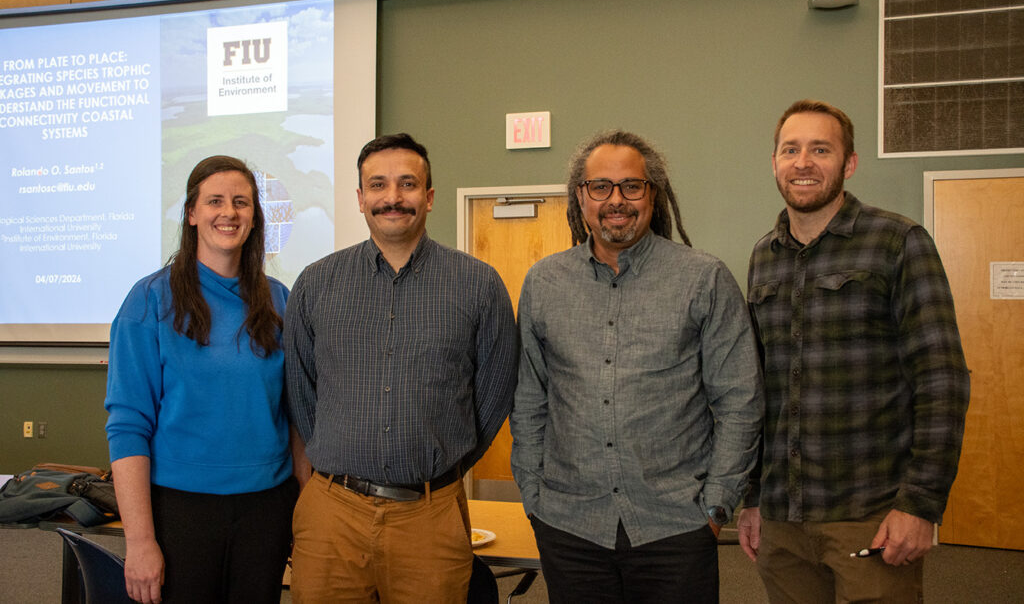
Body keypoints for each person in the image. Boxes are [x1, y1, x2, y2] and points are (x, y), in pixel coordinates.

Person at [509, 130, 764, 603]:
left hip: (677, 527)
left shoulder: (703, 279)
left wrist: (716, 504)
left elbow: (740, 399)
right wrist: (533, 494)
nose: (616, 200)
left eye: (631, 186)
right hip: (569, 526)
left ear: (653, 194)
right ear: (580, 197)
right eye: (600, 187)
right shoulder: (544, 283)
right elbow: (529, 398)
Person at [738, 99, 970, 603]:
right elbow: (756, 390)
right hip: (783, 516)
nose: (803, 162)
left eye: (820, 149)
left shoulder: (897, 241)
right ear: (774, 162)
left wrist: (920, 504)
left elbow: (941, 380)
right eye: (790, 150)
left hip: (871, 512)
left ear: (849, 163)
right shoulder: (763, 257)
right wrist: (752, 498)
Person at [284, 132, 518, 603]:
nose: (393, 198)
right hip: (333, 513)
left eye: (407, 184)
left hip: (429, 517)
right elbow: (302, 393)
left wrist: (439, 462)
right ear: (359, 198)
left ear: (428, 197)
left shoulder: (477, 285)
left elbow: (494, 395)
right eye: (378, 185)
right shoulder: (316, 283)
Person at [105, 156, 296, 604]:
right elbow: (128, 427)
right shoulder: (149, 300)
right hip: (180, 512)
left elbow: (296, 417)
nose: (228, 213)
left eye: (241, 202)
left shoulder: (280, 301)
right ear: (191, 214)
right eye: (214, 201)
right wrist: (139, 542)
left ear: (254, 217)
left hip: (267, 509)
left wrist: (305, 518)